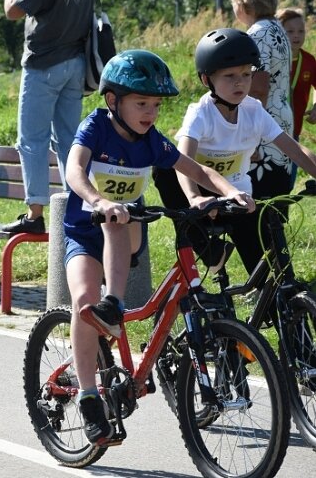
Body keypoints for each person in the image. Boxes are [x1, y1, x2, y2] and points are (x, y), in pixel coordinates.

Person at [64, 50, 253, 445]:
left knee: (125, 220)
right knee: (84, 301)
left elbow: (197, 169)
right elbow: (74, 170)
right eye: (141, 103)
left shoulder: (150, 142)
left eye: (155, 104)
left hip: (123, 233)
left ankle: (117, 310)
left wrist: (230, 192)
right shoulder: (96, 127)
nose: (150, 112)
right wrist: (99, 201)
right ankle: (88, 397)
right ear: (113, 101)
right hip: (84, 232)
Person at [154, 28, 316, 277]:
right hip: (201, 201)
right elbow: (183, 159)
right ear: (207, 80)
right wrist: (195, 198)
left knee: (272, 271)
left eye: (246, 74)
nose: (240, 82)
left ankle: (282, 307)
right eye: (229, 76)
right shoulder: (201, 113)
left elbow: (293, 149)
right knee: (164, 167)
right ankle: (205, 246)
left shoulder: (254, 111)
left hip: (238, 198)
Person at [2, 0, 95, 234]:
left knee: (32, 140)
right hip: (75, 64)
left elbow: (12, 11)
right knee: (68, 140)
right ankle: (75, 203)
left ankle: (35, 213)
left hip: (43, 65)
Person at [228, 0, 294, 195]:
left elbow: (257, 88)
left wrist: (252, 138)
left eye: (234, 2)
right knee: (275, 200)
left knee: (262, 201)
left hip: (265, 125)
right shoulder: (277, 29)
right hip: (281, 116)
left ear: (244, 4)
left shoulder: (258, 34)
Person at [277, 7, 316, 140]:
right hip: (271, 131)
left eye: (301, 31)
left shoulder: (309, 61)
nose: (296, 35)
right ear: (279, 33)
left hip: (295, 133)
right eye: (290, 31)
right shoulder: (272, 60)